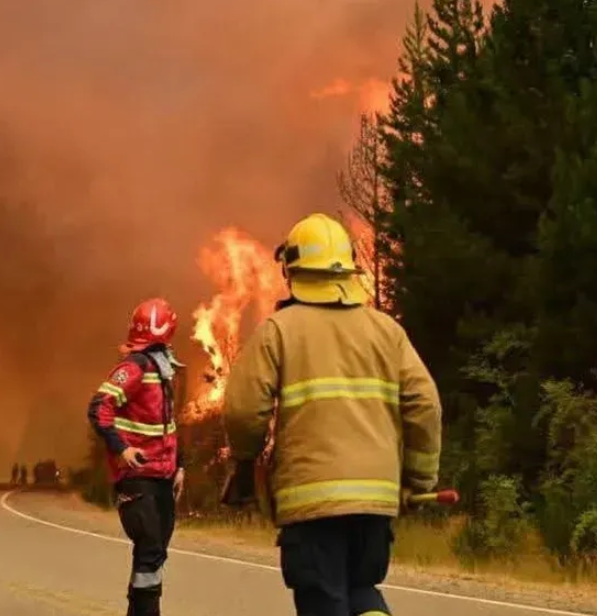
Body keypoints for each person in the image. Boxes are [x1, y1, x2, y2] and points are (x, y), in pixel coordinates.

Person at [220, 213, 442, 616]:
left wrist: (246, 462)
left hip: (312, 503)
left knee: (325, 600)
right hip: (375, 502)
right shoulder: (387, 331)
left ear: (291, 270)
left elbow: (242, 412)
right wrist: (418, 479)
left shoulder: (279, 331)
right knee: (361, 590)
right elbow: (425, 405)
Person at [87, 297, 186, 616]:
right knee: (150, 549)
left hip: (163, 476)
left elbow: (168, 423)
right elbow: (99, 406)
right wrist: (122, 449)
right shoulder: (135, 367)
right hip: (137, 477)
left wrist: (179, 465)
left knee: (154, 555)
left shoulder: (163, 369)